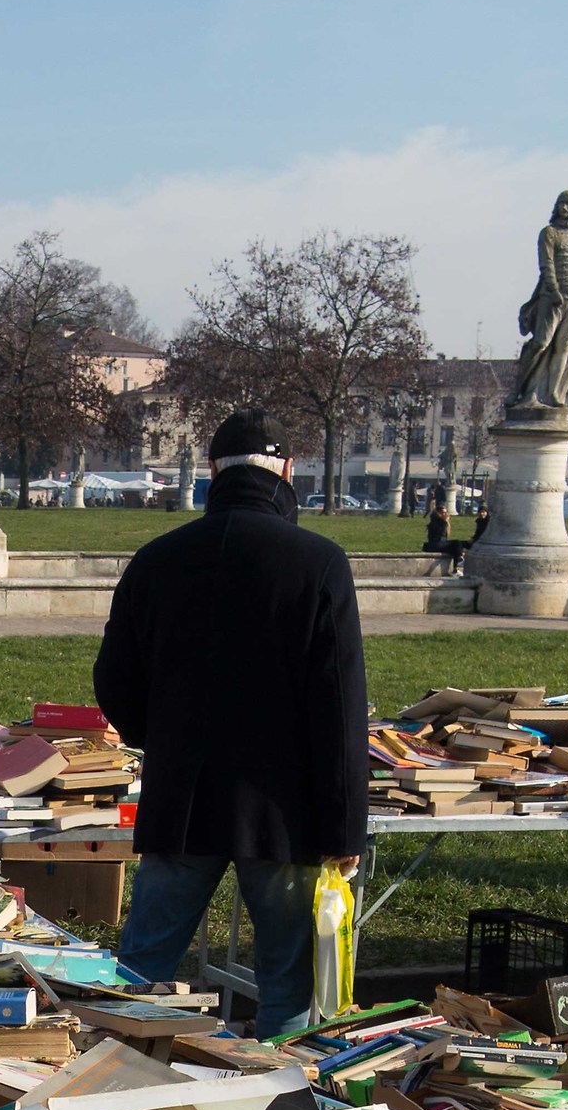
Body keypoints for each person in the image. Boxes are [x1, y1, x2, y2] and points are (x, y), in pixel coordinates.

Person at [92, 409, 368, 1039]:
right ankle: (280, 1089)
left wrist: (156, 735)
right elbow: (340, 705)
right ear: (288, 472)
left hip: (181, 800)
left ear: (213, 471)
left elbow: (114, 679)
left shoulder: (156, 559)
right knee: (288, 985)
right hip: (283, 811)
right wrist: (345, 822)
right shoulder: (319, 563)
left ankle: (110, 1073)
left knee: (139, 972)